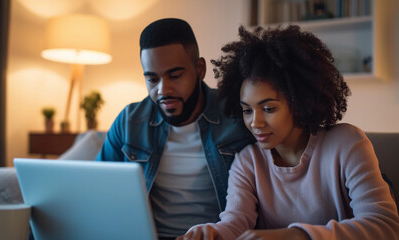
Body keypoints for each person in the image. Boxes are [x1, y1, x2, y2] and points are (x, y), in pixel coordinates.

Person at [178, 25, 399, 240]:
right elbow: (234, 223)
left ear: (300, 101)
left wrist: (297, 235)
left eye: (268, 109)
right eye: (247, 110)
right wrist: (210, 232)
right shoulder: (248, 162)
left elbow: (385, 225)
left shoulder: (347, 143)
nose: (256, 122)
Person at [95, 18, 254, 239]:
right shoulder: (130, 121)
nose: (163, 90)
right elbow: (96, 188)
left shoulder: (237, 115)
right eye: (152, 79)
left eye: (175, 76)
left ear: (200, 69)